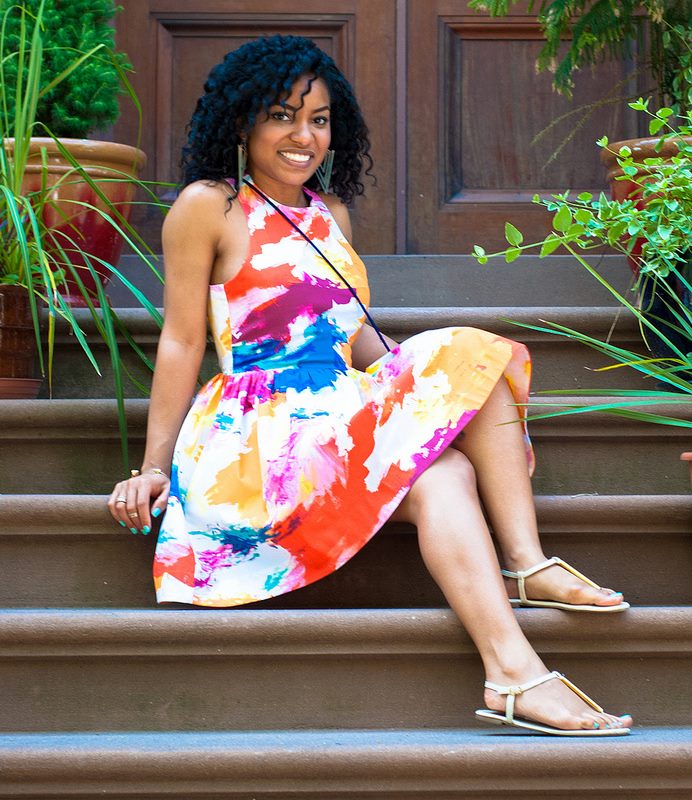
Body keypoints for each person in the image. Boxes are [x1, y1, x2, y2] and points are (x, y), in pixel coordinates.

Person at [108, 35, 633, 737]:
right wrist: (152, 466)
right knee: (462, 370)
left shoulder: (331, 215)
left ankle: (516, 651)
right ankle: (522, 600)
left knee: (457, 427)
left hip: (338, 409)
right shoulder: (210, 206)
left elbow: (355, 340)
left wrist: (433, 382)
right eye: (282, 116)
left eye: (319, 120)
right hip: (263, 438)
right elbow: (181, 341)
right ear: (242, 121)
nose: (304, 136)